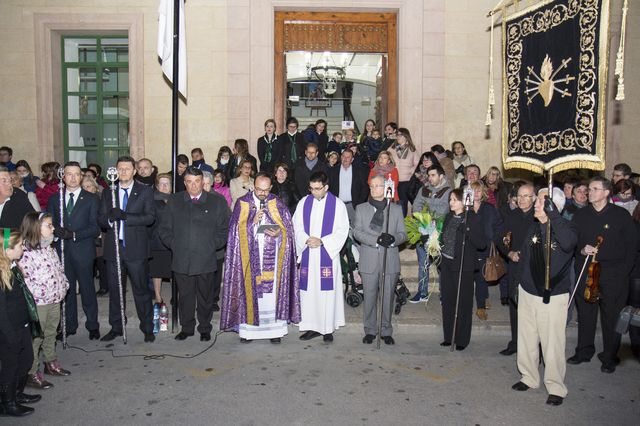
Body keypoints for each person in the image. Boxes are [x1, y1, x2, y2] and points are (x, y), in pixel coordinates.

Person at [511, 187, 577, 406]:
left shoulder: (564, 227)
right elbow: (525, 257)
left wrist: (554, 216)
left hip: (552, 295)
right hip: (528, 291)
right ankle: (529, 377)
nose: (535, 204)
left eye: (540, 202)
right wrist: (517, 286)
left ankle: (556, 386)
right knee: (527, 338)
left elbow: (568, 244)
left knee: (552, 343)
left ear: (552, 206)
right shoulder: (534, 227)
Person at [220, 172, 299, 343]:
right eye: (258, 189)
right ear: (253, 186)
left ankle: (274, 332)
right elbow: (234, 232)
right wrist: (251, 222)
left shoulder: (277, 203)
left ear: (270, 188)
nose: (261, 193)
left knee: (271, 297)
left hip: (272, 260)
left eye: (265, 190)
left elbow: (288, 231)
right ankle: (249, 332)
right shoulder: (243, 203)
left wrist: (278, 233)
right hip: (250, 260)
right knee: (250, 294)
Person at [569, 176, 637, 373]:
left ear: (607, 192)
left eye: (595, 189)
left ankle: (609, 356)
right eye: (589, 189)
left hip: (614, 274)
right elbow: (572, 243)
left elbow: (632, 246)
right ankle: (584, 351)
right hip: (587, 271)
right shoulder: (581, 216)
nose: (590, 192)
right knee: (586, 313)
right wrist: (581, 251)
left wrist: (624, 272)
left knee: (611, 317)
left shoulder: (621, 215)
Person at [160, 167, 230, 341]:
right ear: (184, 183)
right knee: (185, 296)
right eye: (189, 182)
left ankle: (204, 328)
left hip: (206, 258)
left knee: (206, 297)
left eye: (197, 181)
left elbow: (224, 230)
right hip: (182, 258)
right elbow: (164, 230)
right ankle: (187, 327)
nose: (193, 185)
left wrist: (211, 246)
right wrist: (175, 245)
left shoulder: (217, 202)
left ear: (203, 182)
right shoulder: (175, 201)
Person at [98, 156, 156, 343]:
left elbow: (149, 218)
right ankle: (116, 326)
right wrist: (109, 219)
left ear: (134, 171)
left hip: (136, 249)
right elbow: (100, 219)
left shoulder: (144, 191)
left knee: (141, 290)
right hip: (113, 249)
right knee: (115, 290)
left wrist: (125, 216)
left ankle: (147, 327)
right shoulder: (109, 192)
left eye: (126, 169)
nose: (123, 172)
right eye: (119, 169)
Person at [47, 162, 100, 341]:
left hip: (83, 250)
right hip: (62, 251)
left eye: (77, 174)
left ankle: (93, 325)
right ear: (63, 176)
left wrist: (74, 234)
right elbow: (50, 222)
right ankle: (69, 325)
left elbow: (95, 227)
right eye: (69, 174)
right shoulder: (55, 199)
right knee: (67, 290)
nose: (73, 178)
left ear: (82, 176)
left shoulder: (91, 199)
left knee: (87, 289)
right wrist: (55, 231)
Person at [293, 171, 349, 342]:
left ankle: (327, 328)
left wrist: (323, 242)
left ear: (326, 187)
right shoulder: (304, 202)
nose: (314, 192)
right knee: (309, 292)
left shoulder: (338, 205)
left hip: (327, 256)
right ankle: (311, 326)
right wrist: (305, 239)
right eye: (311, 189)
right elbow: (296, 226)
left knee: (327, 292)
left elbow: (342, 230)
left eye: (318, 189)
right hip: (309, 252)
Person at [353, 174, 407, 345]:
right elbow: (357, 232)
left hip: (389, 260)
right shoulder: (361, 208)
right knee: (369, 297)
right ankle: (370, 330)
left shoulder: (396, 209)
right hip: (369, 259)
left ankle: (385, 330)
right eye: (371, 186)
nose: (373, 189)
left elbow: (403, 234)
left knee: (387, 297)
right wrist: (375, 240)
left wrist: (393, 240)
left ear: (385, 188)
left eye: (377, 186)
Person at [19, 212, 70, 389]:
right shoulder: (25, 252)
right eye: (49, 225)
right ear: (36, 228)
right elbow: (26, 281)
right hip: (39, 302)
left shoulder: (49, 247)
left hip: (54, 297)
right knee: (37, 337)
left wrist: (63, 284)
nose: (53, 228)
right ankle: (31, 372)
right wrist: (39, 294)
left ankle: (50, 361)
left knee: (51, 332)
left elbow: (58, 269)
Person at [0, 229, 41, 417]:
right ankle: (8, 403)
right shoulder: (1, 274)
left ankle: (17, 394)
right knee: (11, 365)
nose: (23, 248)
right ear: (6, 250)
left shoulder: (13, 266)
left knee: (26, 360)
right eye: (19, 246)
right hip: (9, 329)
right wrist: (9, 335)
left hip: (22, 323)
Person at [439, 189, 485, 350]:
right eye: (450, 199)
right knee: (448, 302)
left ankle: (462, 339)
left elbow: (482, 243)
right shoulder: (449, 217)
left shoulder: (472, 218)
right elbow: (444, 237)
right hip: (447, 264)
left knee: (463, 304)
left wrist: (468, 230)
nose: (451, 202)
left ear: (463, 202)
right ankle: (449, 336)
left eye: (454, 200)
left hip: (464, 266)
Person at [496, 183, 536, 356]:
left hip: (533, 269)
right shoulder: (512, 216)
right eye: (519, 196)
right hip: (515, 267)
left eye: (526, 196)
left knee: (532, 310)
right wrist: (509, 253)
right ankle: (515, 343)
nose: (522, 199)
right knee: (515, 305)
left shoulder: (539, 217)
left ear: (533, 198)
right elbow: (500, 239)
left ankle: (533, 346)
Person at [410, 164, 452, 303]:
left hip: (441, 232)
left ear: (441, 176)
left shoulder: (448, 191)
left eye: (433, 175)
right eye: (429, 175)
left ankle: (444, 294)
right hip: (423, 229)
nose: (430, 178)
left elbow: (445, 209)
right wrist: (424, 219)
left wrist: (431, 216)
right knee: (423, 263)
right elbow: (416, 206)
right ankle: (422, 292)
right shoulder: (424, 189)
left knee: (441, 265)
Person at [470, 181, 503, 321]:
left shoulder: (489, 208)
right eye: (473, 190)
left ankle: (481, 307)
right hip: (469, 248)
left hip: (485, 248)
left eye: (478, 190)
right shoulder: (465, 209)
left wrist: (494, 241)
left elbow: (499, 225)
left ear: (483, 192)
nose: (476, 193)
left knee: (481, 277)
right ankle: (480, 299)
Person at [327, 149, 369, 225]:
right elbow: (328, 188)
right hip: (337, 206)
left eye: (348, 157)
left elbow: (365, 188)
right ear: (341, 157)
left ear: (352, 159)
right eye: (343, 156)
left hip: (353, 206)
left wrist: (359, 204)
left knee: (354, 229)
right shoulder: (333, 171)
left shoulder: (359, 171)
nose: (345, 159)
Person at [149, 173, 172, 305]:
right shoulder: (152, 200)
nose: (164, 186)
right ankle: (158, 297)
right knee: (157, 271)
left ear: (171, 186)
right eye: (161, 184)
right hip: (156, 240)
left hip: (173, 241)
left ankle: (175, 296)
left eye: (167, 184)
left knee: (174, 269)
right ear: (157, 186)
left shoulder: (176, 199)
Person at [390, 128, 419, 216]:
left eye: (400, 135)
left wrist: (410, 172)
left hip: (405, 181)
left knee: (402, 204)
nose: (397, 137)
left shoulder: (412, 149)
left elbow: (418, 165)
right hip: (392, 181)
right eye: (397, 135)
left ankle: (401, 225)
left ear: (406, 137)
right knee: (391, 203)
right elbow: (385, 159)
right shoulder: (392, 148)